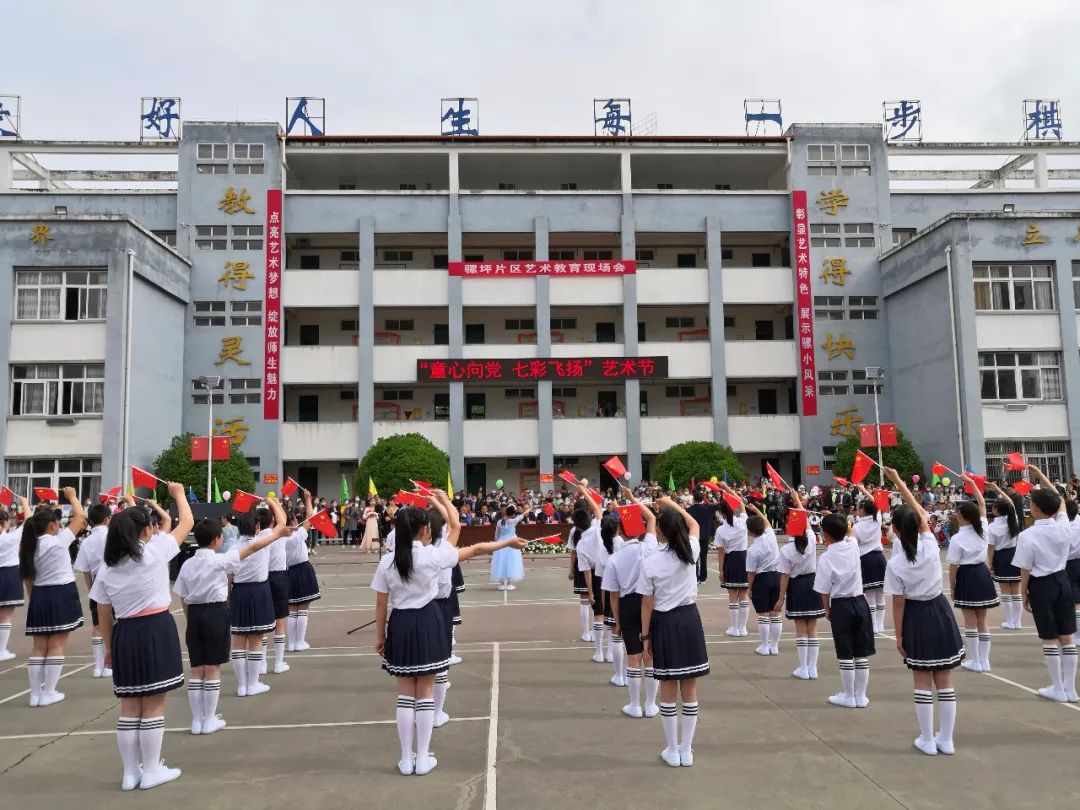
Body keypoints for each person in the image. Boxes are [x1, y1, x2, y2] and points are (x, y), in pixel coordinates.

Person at [371, 490, 525, 776]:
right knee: (425, 691)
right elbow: (475, 547)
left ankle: (406, 758)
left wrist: (380, 636)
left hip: (401, 623)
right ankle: (422, 758)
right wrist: (508, 543)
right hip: (429, 621)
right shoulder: (433, 556)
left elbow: (381, 604)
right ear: (423, 529)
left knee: (405, 694)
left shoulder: (388, 561)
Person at [91, 483, 194, 790]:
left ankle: (129, 773)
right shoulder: (154, 552)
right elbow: (186, 522)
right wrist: (177, 494)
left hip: (125, 634)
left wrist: (109, 647)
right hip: (154, 628)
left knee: (130, 706)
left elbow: (103, 612)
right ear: (145, 530)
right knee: (153, 705)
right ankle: (150, 770)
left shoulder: (108, 567)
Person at [173, 503, 288, 736]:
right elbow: (255, 547)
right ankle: (212, 717)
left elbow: (183, 597)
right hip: (216, 611)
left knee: (197, 669)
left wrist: (189, 616)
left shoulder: (188, 564)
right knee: (215, 666)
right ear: (217, 539)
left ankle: (197, 721)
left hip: (195, 614)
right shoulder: (222, 559)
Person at [883, 467, 964, 756]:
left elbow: (898, 602)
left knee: (921, 679)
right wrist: (899, 481)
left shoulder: (896, 564)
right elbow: (918, 510)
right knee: (944, 678)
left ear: (893, 530)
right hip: (939, 611)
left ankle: (928, 739)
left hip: (916, 616)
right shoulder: (930, 545)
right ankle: (947, 739)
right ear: (920, 526)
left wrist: (899, 635)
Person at [638, 496, 706, 767]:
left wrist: (645, 637)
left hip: (664, 622)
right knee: (689, 687)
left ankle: (673, 748)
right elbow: (694, 524)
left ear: (660, 532)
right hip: (689, 620)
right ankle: (686, 750)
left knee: (668, 685)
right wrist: (672, 504)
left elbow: (646, 603)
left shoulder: (651, 562)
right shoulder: (690, 550)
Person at [1013, 464, 1077, 703]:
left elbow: (1025, 568)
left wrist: (1023, 593)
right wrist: (1040, 475)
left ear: (1036, 509)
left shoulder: (1028, 535)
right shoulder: (1064, 525)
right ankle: (1070, 689)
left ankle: (1058, 687)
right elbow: (1060, 499)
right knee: (1067, 635)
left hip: (1042, 584)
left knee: (1049, 637)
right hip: (1063, 580)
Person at [20, 487, 86, 706]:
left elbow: (29, 580)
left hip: (40, 594)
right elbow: (80, 517)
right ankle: (48, 691)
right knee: (57, 645)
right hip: (60, 592)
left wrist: (34, 599)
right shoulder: (57, 541)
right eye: (57, 522)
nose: (60, 525)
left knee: (39, 647)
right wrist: (73, 498)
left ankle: (35, 694)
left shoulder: (29, 546)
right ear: (51, 525)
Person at [605, 487, 660, 718]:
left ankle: (635, 705)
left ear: (619, 531)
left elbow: (613, 595)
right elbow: (652, 517)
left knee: (634, 656)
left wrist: (617, 621)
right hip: (649, 602)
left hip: (627, 606)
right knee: (651, 655)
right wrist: (631, 499)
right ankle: (651, 705)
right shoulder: (648, 547)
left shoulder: (614, 558)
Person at [813, 510, 875, 709]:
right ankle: (861, 695)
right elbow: (850, 532)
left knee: (845, 651)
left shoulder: (826, 557)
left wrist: (826, 609)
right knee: (861, 652)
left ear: (825, 534)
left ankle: (849, 695)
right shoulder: (853, 546)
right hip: (860, 602)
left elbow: (823, 589)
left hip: (841, 604)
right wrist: (835, 517)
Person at [947, 478, 998, 673]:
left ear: (964, 517)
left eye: (958, 513)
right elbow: (982, 502)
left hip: (968, 575)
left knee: (970, 622)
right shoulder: (983, 528)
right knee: (982, 621)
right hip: (982, 573)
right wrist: (970, 482)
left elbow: (953, 567)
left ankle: (977, 660)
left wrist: (952, 587)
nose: (956, 515)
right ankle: (984, 660)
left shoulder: (958, 538)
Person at [229, 504, 279, 698]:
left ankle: (242, 686)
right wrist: (272, 503)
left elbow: (229, 576)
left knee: (239, 640)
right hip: (259, 591)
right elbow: (281, 523)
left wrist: (227, 597)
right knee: (256, 638)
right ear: (257, 527)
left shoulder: (233, 547)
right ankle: (252, 683)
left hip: (239, 592)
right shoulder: (263, 541)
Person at [775, 487, 824, 679]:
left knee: (801, 629)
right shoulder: (811, 539)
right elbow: (805, 520)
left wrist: (781, 598)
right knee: (812, 628)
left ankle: (804, 667)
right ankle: (813, 668)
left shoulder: (786, 550)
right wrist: (797, 500)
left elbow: (785, 576)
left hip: (796, 586)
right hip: (813, 583)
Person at [73, 501, 114, 678]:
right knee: (113, 623)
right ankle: (110, 664)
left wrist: (91, 589)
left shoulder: (87, 541)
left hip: (97, 581)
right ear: (107, 519)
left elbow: (85, 569)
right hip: (115, 580)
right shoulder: (113, 536)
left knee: (97, 625)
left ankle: (98, 666)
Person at [575, 484, 612, 665]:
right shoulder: (598, 528)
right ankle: (612, 652)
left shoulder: (581, 545)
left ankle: (599, 652)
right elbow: (598, 508)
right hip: (611, 573)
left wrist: (590, 592)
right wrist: (585, 493)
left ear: (577, 527)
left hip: (597, 577)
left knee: (598, 613)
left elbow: (586, 571)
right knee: (612, 615)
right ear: (590, 518)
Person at [744, 502, 782, 656]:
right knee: (775, 613)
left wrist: (749, 587)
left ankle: (765, 645)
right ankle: (775, 645)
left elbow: (751, 573)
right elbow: (766, 521)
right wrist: (756, 510)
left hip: (762, 578)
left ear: (750, 532)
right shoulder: (771, 536)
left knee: (763, 614)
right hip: (777, 576)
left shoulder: (752, 550)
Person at [986, 482, 1023, 629]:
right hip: (1015, 555)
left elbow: (991, 548)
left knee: (1006, 592)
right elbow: (1010, 502)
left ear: (996, 511)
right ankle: (1017, 621)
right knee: (1017, 591)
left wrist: (990, 563)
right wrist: (996, 488)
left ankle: (1010, 621)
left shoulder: (993, 526)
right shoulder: (1012, 519)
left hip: (1001, 557)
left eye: (994, 507)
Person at [287, 490, 320, 652]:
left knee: (293, 610)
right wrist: (308, 499)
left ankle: (292, 643)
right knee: (303, 609)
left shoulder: (278, 538)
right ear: (292, 522)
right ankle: (299, 642)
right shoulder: (297, 535)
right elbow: (311, 518)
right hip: (302, 569)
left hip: (288, 572)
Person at [714, 482, 749, 637]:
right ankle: (743, 627)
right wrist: (727, 489)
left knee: (733, 595)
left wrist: (721, 570)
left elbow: (721, 553)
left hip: (731, 559)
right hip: (744, 558)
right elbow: (741, 503)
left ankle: (735, 628)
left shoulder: (721, 529)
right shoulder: (742, 522)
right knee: (743, 594)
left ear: (721, 513)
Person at [853, 484, 887, 634]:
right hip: (879, 557)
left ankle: (873, 624)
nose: (857, 510)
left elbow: (855, 545)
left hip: (865, 559)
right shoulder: (877, 519)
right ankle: (880, 624)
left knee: (870, 593)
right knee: (880, 592)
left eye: (859, 508)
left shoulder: (856, 527)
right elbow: (876, 503)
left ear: (863, 510)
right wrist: (863, 490)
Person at [0, 496, 30, 662]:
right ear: (5, 524)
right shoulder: (11, 538)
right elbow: (28, 521)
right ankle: (1, 650)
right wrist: (25, 503)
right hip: (9, 574)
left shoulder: (10, 536)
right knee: (5, 616)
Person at [568, 504, 596, 642]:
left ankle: (586, 632)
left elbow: (573, 552)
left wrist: (570, 570)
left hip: (582, 567)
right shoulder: (595, 527)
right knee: (598, 602)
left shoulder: (575, 530)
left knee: (584, 601)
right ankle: (595, 633)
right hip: (597, 568)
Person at [490, 504, 526, 591]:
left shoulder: (499, 522)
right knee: (511, 562)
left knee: (501, 562)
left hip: (501, 543)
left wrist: (497, 543)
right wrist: (530, 509)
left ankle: (502, 584)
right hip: (512, 542)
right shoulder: (513, 521)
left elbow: (496, 535)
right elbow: (523, 515)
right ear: (513, 514)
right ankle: (509, 583)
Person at [686, 489, 716, 583]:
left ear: (693, 499)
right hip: (705, 535)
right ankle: (703, 577)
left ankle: (695, 577)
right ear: (703, 499)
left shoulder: (689, 510)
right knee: (703, 556)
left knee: (694, 556)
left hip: (694, 535)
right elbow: (713, 516)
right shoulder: (708, 508)